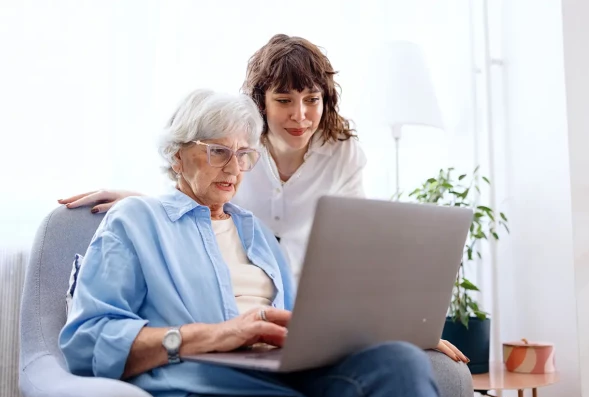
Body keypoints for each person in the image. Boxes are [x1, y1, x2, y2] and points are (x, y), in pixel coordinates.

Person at [59, 89, 466, 397]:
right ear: (177, 156)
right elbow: (86, 339)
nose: (234, 168)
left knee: (400, 364)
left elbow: (297, 325)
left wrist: (391, 330)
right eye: (219, 151)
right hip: (199, 385)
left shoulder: (256, 233)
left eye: (244, 155)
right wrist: (212, 335)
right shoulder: (136, 221)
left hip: (283, 375)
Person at [59, 34, 366, 278]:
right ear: (261, 102)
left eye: (312, 100)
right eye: (284, 100)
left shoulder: (342, 152)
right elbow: (193, 199)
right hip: (239, 283)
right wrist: (142, 204)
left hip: (303, 292)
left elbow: (358, 234)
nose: (300, 115)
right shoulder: (239, 146)